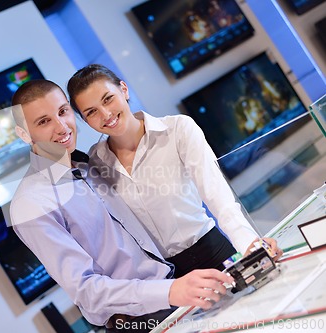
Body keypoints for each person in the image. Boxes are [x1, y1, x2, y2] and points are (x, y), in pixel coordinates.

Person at [9, 79, 234, 332]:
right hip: (138, 322)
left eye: (62, 111)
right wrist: (170, 291)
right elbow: (86, 291)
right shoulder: (30, 204)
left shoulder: (90, 165)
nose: (62, 127)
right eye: (43, 121)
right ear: (24, 134)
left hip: (177, 293)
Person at [67, 64, 283, 278]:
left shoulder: (178, 129)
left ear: (123, 89)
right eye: (91, 112)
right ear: (85, 120)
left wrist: (250, 246)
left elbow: (218, 197)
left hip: (213, 254)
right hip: (166, 280)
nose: (105, 114)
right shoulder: (95, 162)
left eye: (108, 99)